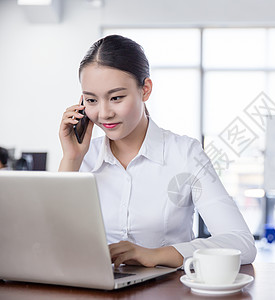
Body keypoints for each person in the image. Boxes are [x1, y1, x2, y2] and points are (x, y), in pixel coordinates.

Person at [59, 35, 256, 268]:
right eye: (92, 100)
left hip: (169, 288)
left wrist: (156, 255)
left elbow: (242, 244)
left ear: (145, 90)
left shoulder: (185, 154)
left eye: (116, 98)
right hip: (96, 287)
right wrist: (71, 159)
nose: (104, 113)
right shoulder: (83, 157)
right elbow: (50, 242)